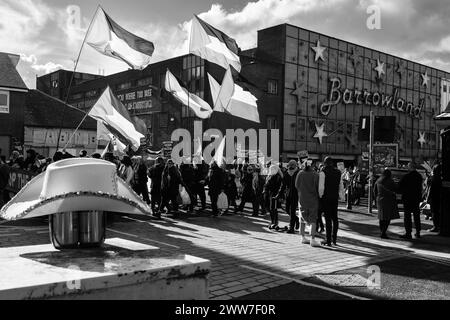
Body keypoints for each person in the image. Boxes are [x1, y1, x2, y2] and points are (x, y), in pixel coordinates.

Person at [319, 157, 344, 246]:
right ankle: (334, 239)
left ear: (325, 163)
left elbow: (321, 188)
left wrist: (320, 196)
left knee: (327, 219)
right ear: (332, 163)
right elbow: (341, 185)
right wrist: (342, 196)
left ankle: (328, 239)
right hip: (334, 197)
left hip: (326, 197)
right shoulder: (338, 172)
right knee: (335, 218)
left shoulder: (323, 172)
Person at [296, 161, 321, 246]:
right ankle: (312, 239)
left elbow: (297, 185)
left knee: (302, 219)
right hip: (313, 200)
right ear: (312, 166)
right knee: (313, 219)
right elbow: (318, 187)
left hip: (302, 199)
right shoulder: (315, 174)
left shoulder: (300, 173)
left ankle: (302, 237)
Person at [399, 161, 423, 239]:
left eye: (408, 166)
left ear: (410, 167)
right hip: (416, 199)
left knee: (407, 216)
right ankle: (418, 232)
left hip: (408, 199)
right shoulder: (419, 176)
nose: (407, 167)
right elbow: (420, 188)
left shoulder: (407, 176)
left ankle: (408, 233)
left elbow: (400, 185)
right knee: (416, 216)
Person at [374, 168, 399, 239]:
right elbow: (396, 188)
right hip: (389, 200)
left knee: (381, 217)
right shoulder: (390, 181)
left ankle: (382, 231)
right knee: (387, 218)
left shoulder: (378, 180)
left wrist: (376, 198)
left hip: (380, 200)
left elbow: (374, 190)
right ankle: (383, 232)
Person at [277, 160, 300, 234]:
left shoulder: (298, 173)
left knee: (292, 211)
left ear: (295, 165)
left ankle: (291, 228)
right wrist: (279, 194)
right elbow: (283, 185)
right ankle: (296, 219)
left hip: (295, 194)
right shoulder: (286, 173)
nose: (291, 166)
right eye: (290, 165)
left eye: (293, 165)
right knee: (287, 209)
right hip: (288, 194)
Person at [264, 164, 283, 229]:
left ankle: (274, 222)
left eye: (273, 169)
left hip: (274, 195)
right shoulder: (270, 176)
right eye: (271, 169)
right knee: (271, 209)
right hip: (269, 194)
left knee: (273, 209)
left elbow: (277, 186)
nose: (271, 170)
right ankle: (273, 222)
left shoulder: (277, 177)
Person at [427, 163, 442, 233]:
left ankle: (436, 227)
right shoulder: (441, 178)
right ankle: (439, 226)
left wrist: (428, 198)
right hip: (439, 198)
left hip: (434, 198)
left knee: (434, 212)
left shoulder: (434, 178)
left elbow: (431, 189)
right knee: (438, 213)